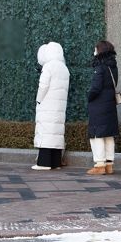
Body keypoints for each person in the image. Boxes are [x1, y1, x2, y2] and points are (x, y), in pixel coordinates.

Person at [33, 42, 70, 170]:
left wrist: (38, 100)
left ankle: (44, 163)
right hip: (59, 105)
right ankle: (55, 162)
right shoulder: (63, 67)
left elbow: (43, 85)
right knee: (56, 132)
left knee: (46, 131)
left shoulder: (49, 66)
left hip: (48, 103)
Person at [86, 40, 119, 175]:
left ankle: (99, 164)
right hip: (110, 105)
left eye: (95, 49)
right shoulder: (113, 67)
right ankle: (109, 165)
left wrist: (88, 95)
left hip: (99, 106)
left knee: (97, 134)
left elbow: (96, 88)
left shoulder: (100, 68)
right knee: (108, 135)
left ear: (100, 51)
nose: (94, 51)